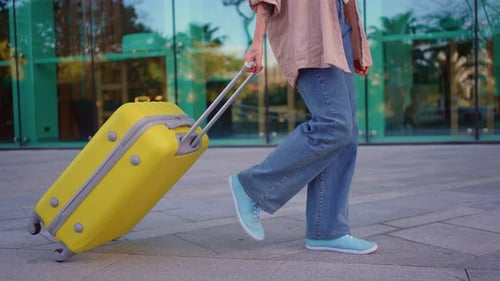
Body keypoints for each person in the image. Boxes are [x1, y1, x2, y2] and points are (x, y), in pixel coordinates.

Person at [229, 0, 378, 254]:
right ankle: (252, 187)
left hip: (339, 28)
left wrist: (355, 44)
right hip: (309, 32)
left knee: (346, 134)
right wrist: (257, 41)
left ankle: (327, 231)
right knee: (334, 123)